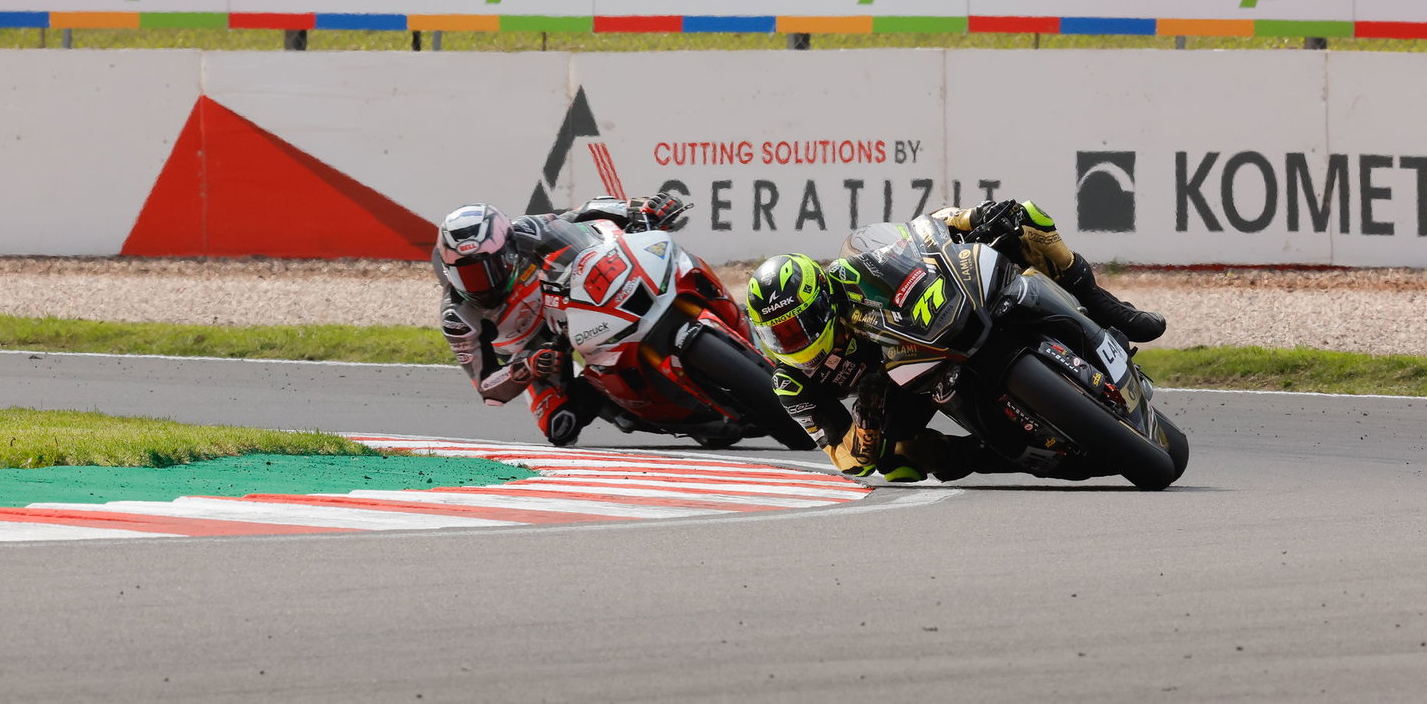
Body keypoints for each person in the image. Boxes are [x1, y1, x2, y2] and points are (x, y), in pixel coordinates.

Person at [745, 197, 1164, 481]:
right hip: (899, 387)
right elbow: (846, 459)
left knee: (1026, 219)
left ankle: (1105, 306)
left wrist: (973, 219)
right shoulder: (791, 383)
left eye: (796, 326)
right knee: (897, 462)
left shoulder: (845, 277)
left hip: (927, 329)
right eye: (778, 334)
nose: (791, 341)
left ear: (820, 302)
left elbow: (916, 233)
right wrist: (866, 420)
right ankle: (1002, 454)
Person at [433, 193, 686, 446]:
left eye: (489, 268)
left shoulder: (527, 232)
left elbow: (584, 212)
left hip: (575, 303)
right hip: (534, 349)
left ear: (507, 251)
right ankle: (649, 410)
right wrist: (530, 366)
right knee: (561, 425)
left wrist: (642, 208)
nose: (481, 284)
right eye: (467, 275)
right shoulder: (457, 317)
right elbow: (487, 388)